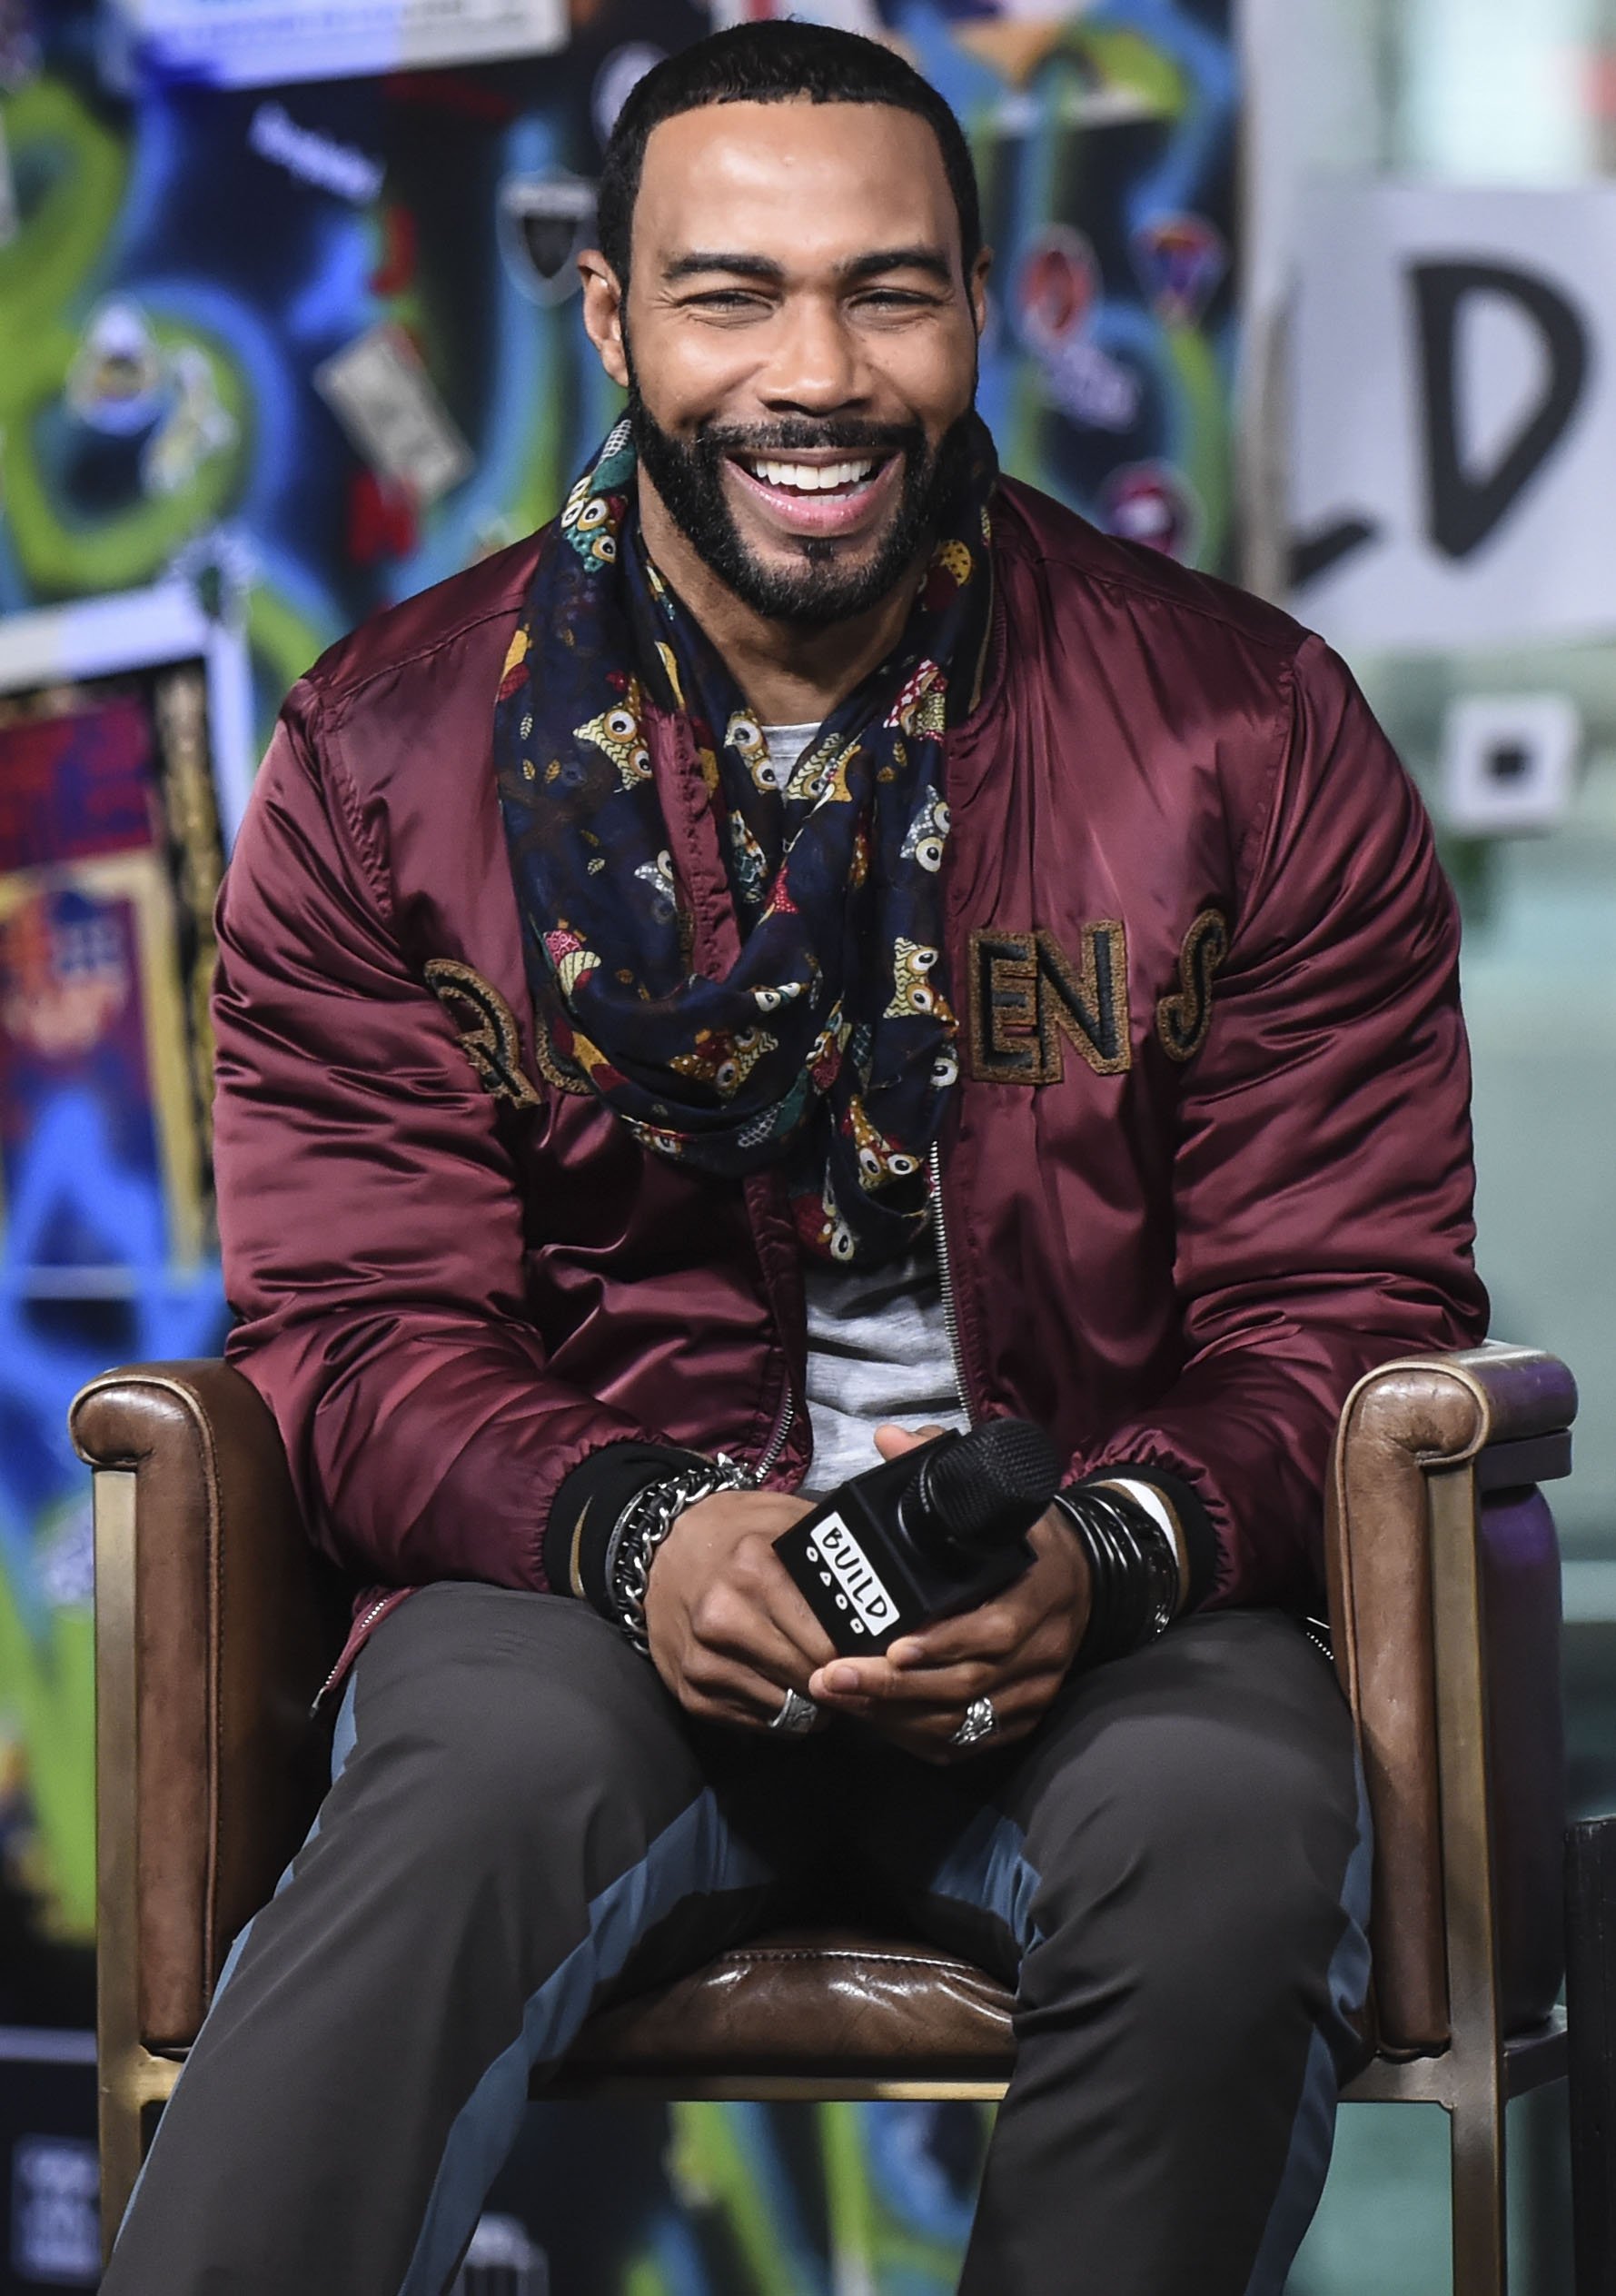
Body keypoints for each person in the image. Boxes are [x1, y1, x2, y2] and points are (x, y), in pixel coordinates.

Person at [100, 23, 1488, 2296]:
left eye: (889, 293)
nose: (812, 373)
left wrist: (1114, 1552)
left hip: (1107, 1602)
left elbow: (1342, 1305)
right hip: (583, 1594)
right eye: (731, 293)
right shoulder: (384, 756)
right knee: (461, 1787)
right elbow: (353, 1334)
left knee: (1235, 1809)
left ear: (968, 308)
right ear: (611, 319)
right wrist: (635, 1527)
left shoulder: (1241, 732)